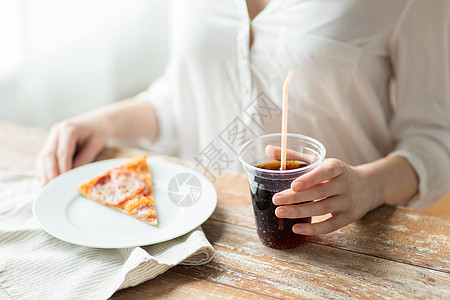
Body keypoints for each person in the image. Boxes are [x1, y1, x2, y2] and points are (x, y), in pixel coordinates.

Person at [36, 0, 450, 235]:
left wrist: (367, 187)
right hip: (194, 230)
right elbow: (188, 97)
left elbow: (436, 140)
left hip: (336, 242)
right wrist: (103, 123)